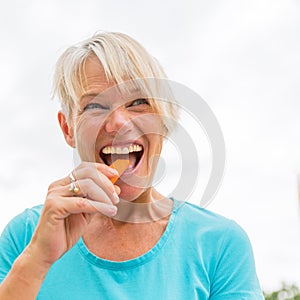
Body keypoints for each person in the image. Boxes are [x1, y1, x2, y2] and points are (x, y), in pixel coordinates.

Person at [0, 31, 264, 299]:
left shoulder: (220, 244)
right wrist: (37, 260)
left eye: (138, 102)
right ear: (68, 128)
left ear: (163, 119)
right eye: (94, 106)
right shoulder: (24, 237)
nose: (118, 123)